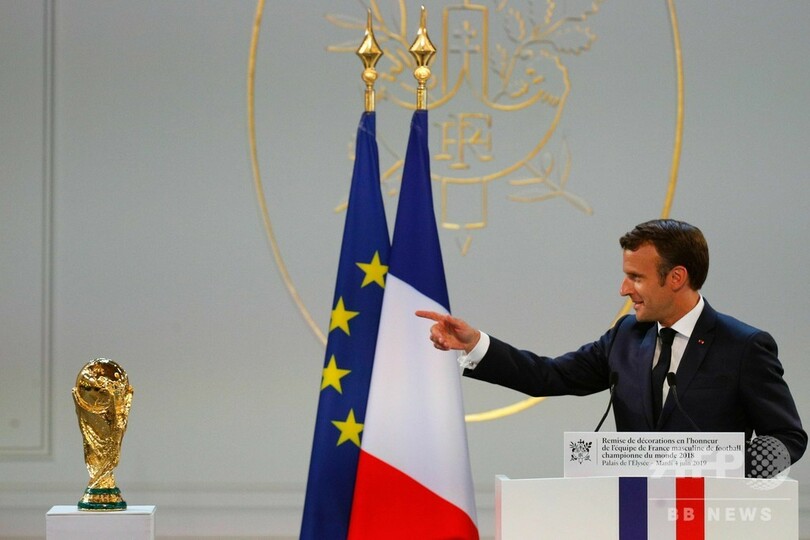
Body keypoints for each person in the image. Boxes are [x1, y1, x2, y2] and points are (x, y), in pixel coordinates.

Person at [417, 219, 807, 467]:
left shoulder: (743, 346)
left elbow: (787, 437)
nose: (624, 289)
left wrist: (734, 468)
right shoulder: (626, 336)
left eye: (636, 277)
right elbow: (549, 376)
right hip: (633, 515)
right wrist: (475, 343)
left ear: (676, 278)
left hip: (712, 519)